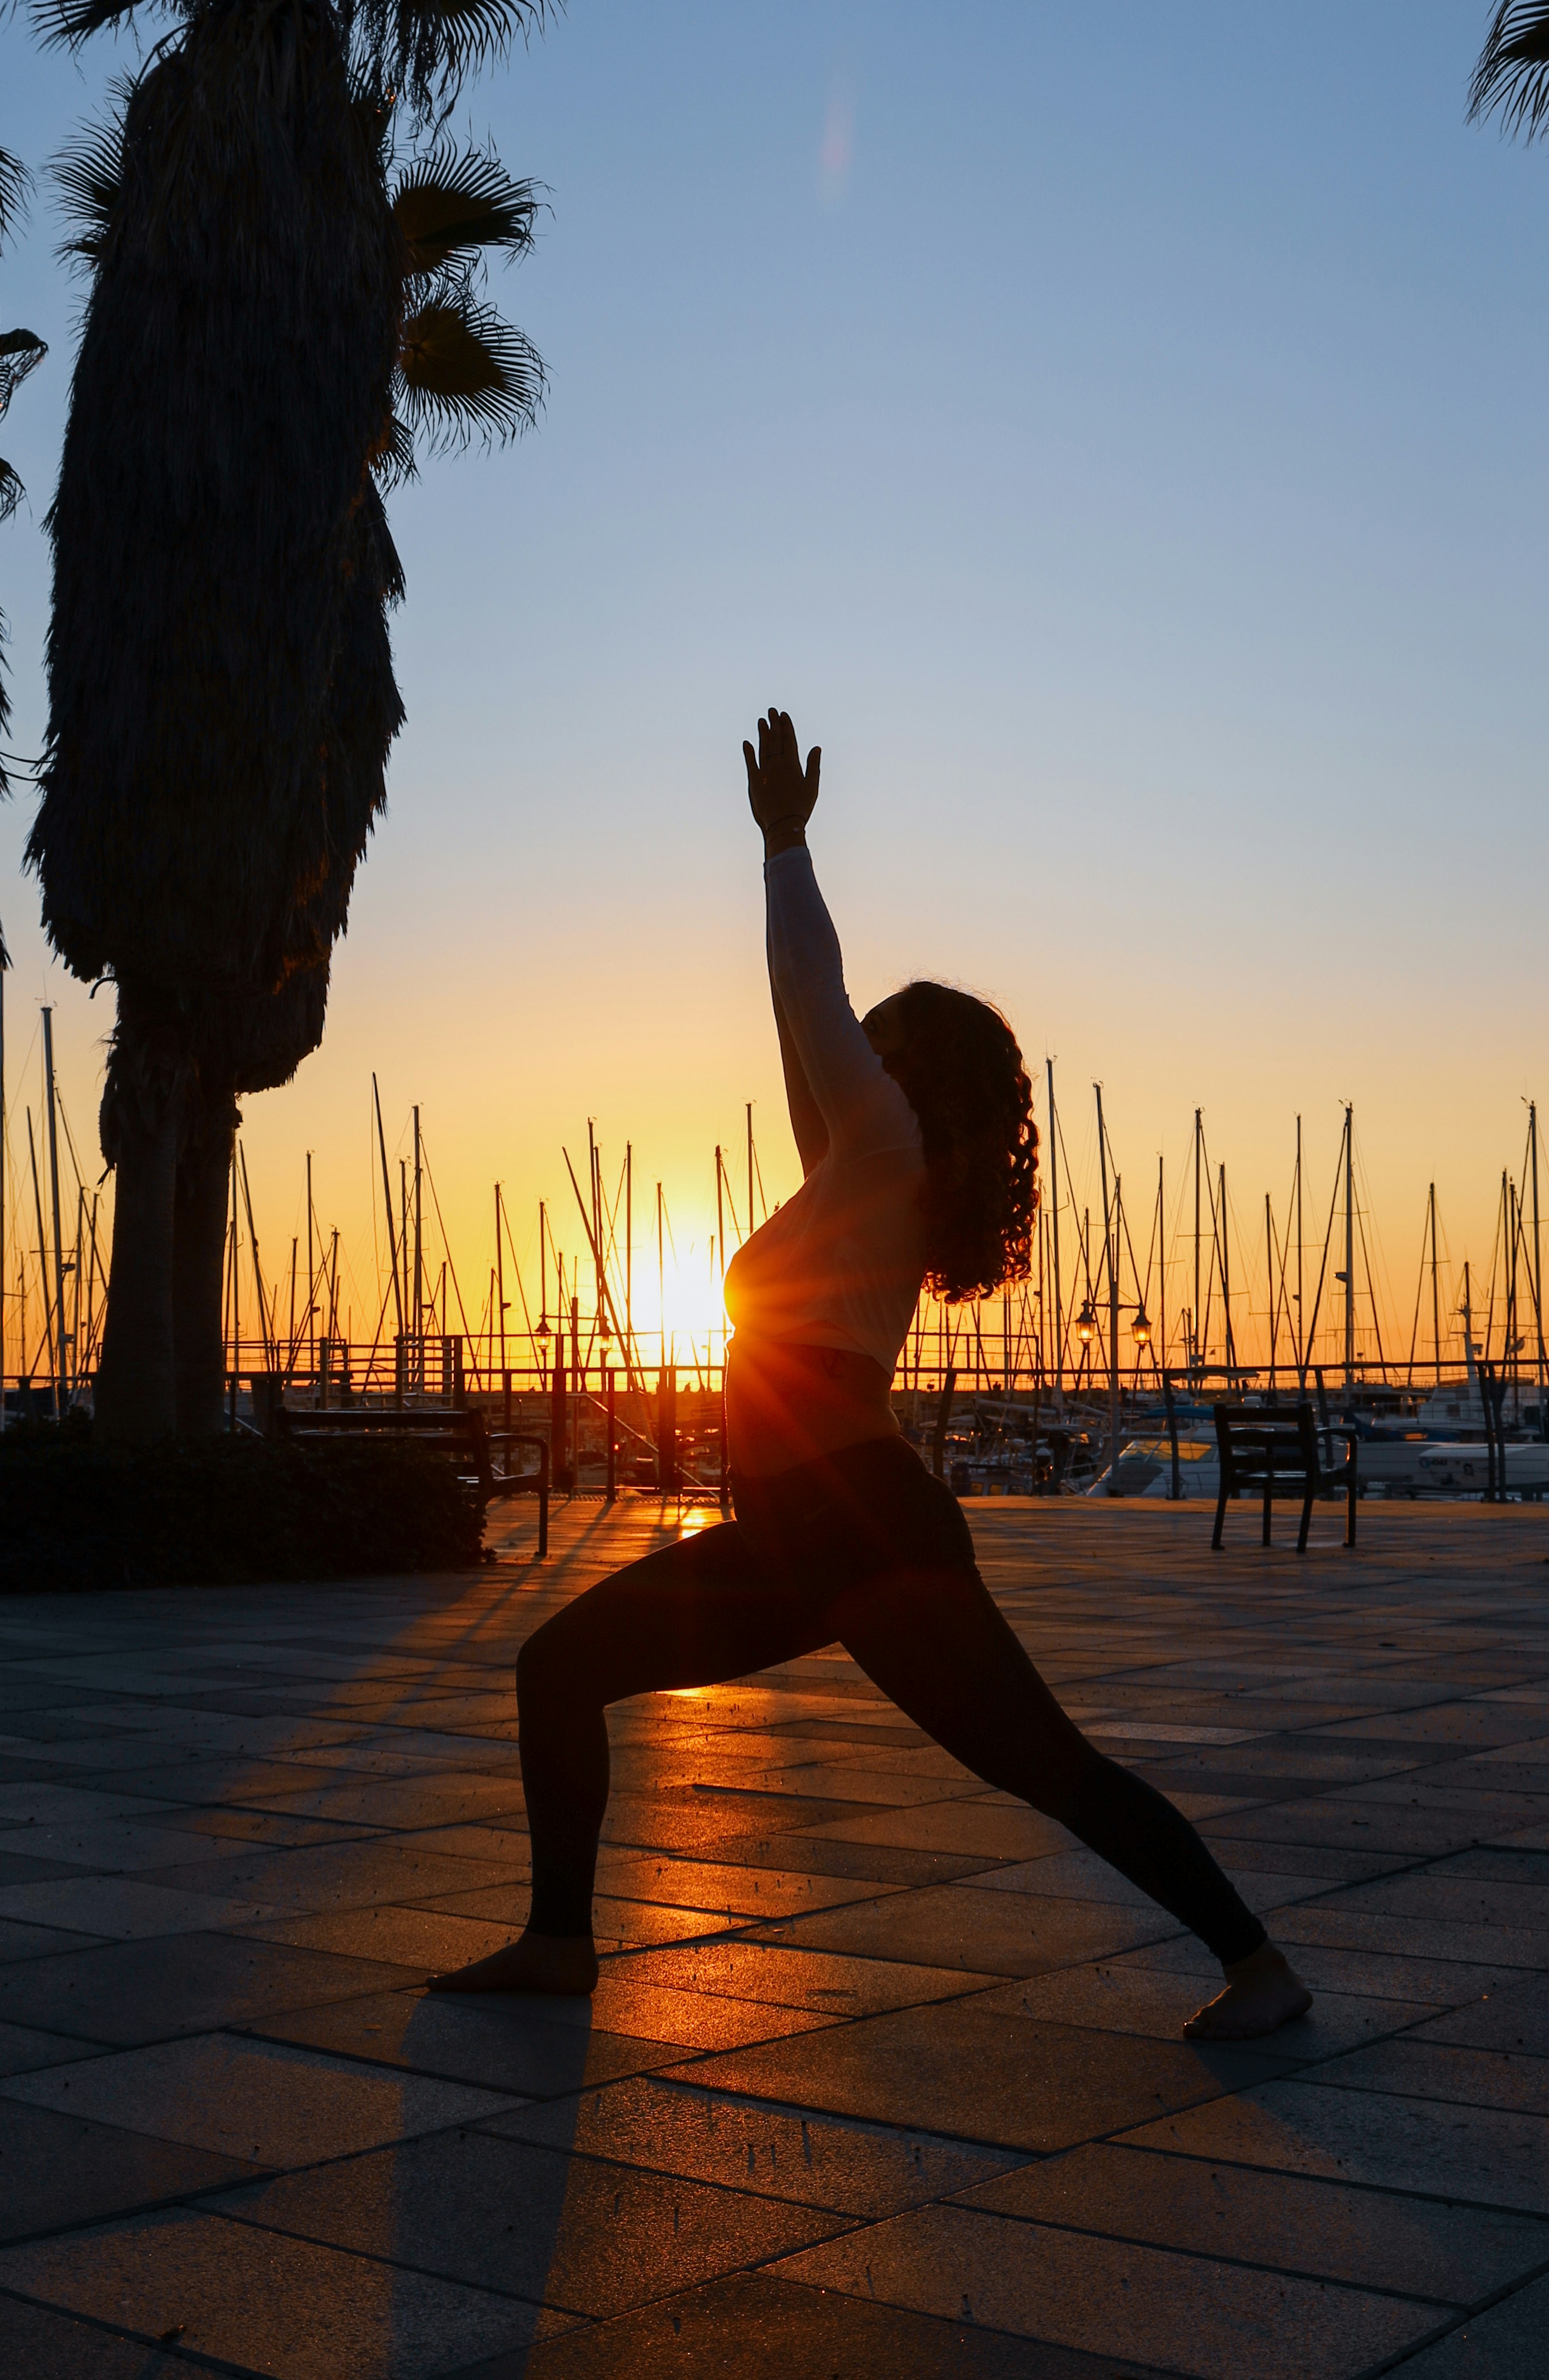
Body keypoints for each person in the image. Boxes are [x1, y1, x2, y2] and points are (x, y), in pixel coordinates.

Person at [432, 709, 1309, 2039]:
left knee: (1044, 1765)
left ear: (910, 1063)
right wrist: (779, 884)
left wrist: (785, 849)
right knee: (558, 1668)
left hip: (857, 1518)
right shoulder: (861, 1170)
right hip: (798, 1527)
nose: (861, 1035)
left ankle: (1257, 1963)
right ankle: (558, 1941)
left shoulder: (889, 1140)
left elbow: (807, 1000)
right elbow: (802, 1035)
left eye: (881, 1026)